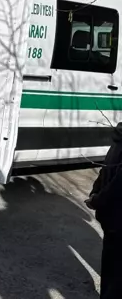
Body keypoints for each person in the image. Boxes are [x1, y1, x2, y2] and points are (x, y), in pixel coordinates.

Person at [86, 124, 122, 298]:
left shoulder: (119, 135)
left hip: (114, 218)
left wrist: (96, 197)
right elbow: (110, 173)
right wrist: (97, 196)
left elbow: (110, 175)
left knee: (112, 270)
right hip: (115, 217)